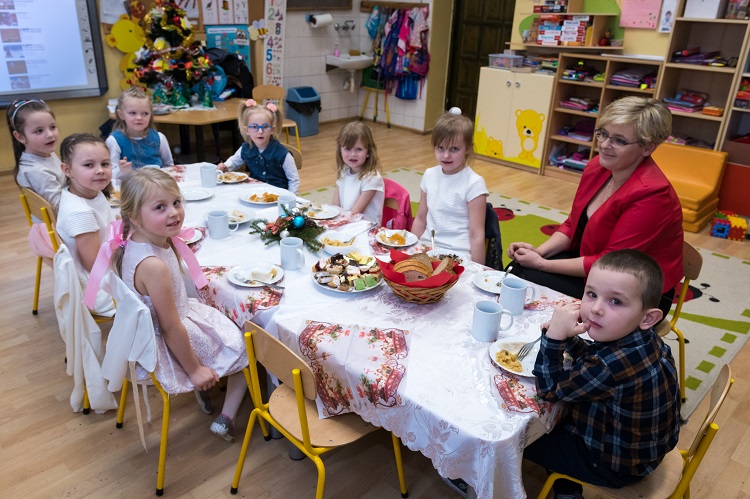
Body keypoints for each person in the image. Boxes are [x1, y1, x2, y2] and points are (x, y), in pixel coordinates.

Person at [506, 97, 683, 320]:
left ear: (647, 147)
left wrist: (541, 264)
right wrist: (538, 253)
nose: (605, 145)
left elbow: (610, 263)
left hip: (634, 291)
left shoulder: (653, 195)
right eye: (603, 133)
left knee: (522, 278)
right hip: (595, 265)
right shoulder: (597, 167)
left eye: (619, 140)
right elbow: (573, 224)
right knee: (517, 271)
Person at [524, 249, 680, 499]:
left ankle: (568, 491)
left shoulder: (609, 366)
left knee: (527, 438)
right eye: (591, 294)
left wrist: (554, 338)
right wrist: (568, 337)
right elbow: (594, 360)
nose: (596, 309)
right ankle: (566, 487)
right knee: (558, 419)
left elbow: (549, 390)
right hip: (645, 452)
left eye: (615, 301)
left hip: (614, 465)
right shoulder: (645, 339)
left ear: (648, 317)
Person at [110, 168, 249, 441]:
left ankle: (206, 387)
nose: (174, 212)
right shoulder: (153, 265)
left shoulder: (142, 242)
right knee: (245, 343)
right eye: (160, 207)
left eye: (176, 202)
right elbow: (171, 326)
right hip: (169, 337)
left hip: (164, 325)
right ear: (134, 217)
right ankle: (227, 416)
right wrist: (194, 370)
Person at [411, 108, 488, 264]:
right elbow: (420, 219)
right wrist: (410, 248)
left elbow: (476, 235)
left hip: (458, 255)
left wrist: (480, 270)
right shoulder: (429, 175)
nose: (446, 155)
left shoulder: (474, 183)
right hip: (427, 248)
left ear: (468, 148)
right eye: (441, 148)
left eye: (454, 149)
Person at [56, 133, 116, 316]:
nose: (100, 170)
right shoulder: (80, 212)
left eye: (105, 163)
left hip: (106, 268)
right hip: (98, 290)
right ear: (67, 170)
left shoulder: (89, 192)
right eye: (89, 165)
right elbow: (94, 265)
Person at [7, 99, 64, 259]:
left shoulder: (45, 154)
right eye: (39, 131)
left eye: (52, 127)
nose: (50, 134)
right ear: (20, 137)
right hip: (53, 232)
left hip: (53, 224)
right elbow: (60, 208)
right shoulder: (36, 171)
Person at [218, 99, 300, 194]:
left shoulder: (283, 154)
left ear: (272, 130)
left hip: (278, 196)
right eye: (254, 127)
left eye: (265, 126)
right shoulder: (246, 148)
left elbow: (294, 180)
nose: (260, 131)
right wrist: (225, 166)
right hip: (255, 193)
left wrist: (290, 198)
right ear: (247, 130)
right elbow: (234, 161)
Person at [106, 87, 174, 179]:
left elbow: (169, 166)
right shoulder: (114, 141)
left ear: (151, 114)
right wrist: (121, 170)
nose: (139, 118)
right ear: (121, 114)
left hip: (157, 184)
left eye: (145, 113)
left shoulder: (159, 138)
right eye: (133, 113)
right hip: (130, 186)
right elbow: (109, 175)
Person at [331, 121, 384, 224]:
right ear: (340, 150)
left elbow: (355, 214)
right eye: (347, 149)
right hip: (346, 222)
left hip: (365, 228)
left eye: (359, 149)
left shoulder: (372, 178)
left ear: (368, 152)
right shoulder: (344, 170)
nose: (353, 154)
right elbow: (335, 205)